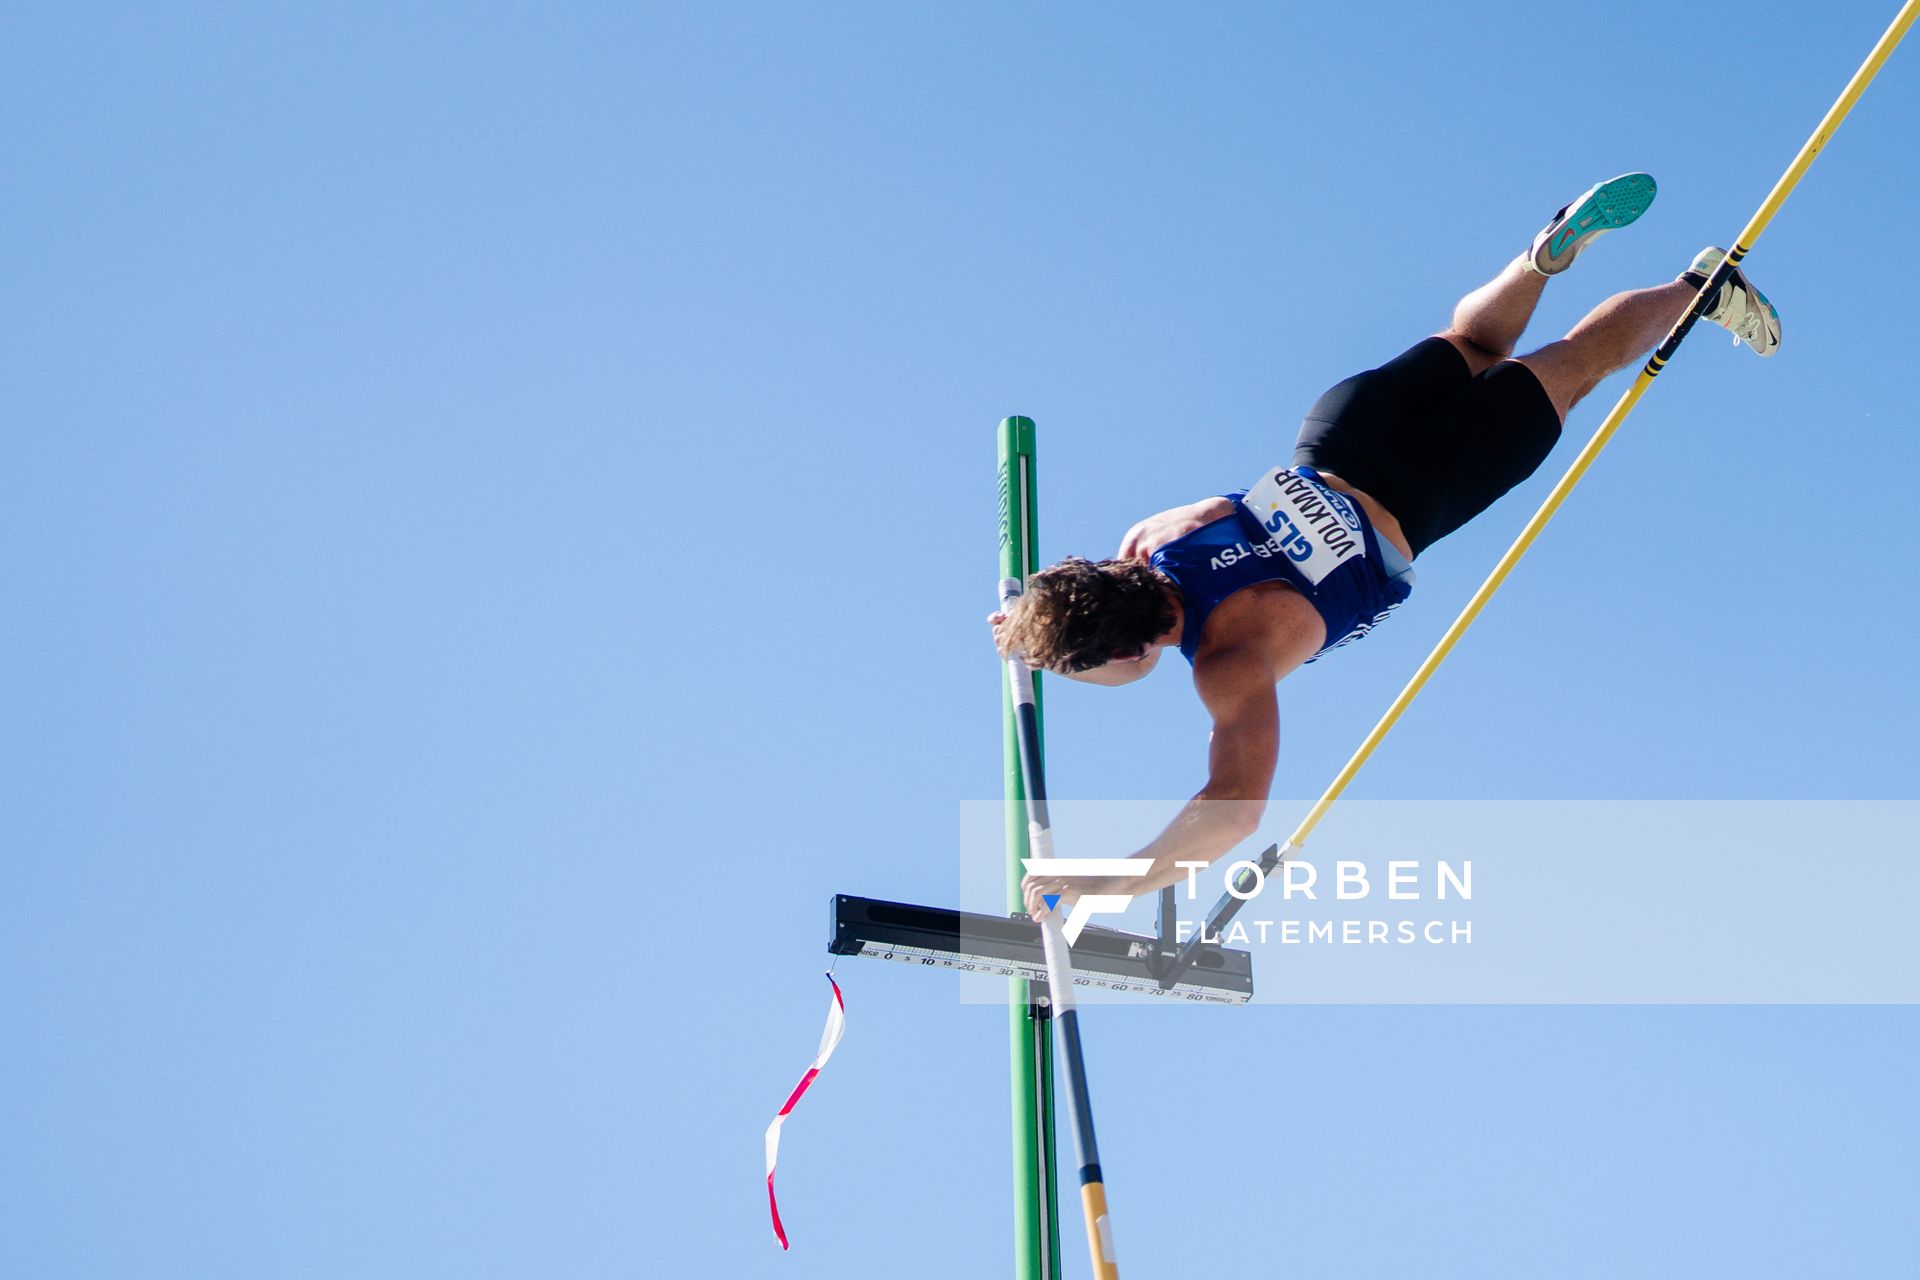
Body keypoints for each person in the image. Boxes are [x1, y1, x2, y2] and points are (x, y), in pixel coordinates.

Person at [993, 174, 1780, 921]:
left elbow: (1229, 813)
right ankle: (1539, 255)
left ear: (1131, 645)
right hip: (1343, 428)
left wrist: (1106, 882)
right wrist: (1034, 625)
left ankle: (1699, 288)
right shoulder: (1148, 541)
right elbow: (1115, 626)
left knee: (1573, 365)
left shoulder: (1229, 660)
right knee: (1473, 338)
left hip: (1426, 490)